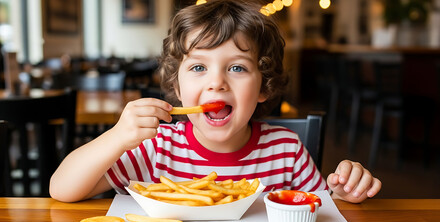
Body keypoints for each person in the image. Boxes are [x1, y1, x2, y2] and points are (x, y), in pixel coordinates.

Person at [50, 0, 381, 203]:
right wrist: (118, 136)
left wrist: (344, 192)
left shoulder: (286, 150)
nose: (216, 82)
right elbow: (62, 189)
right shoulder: (156, 147)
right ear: (177, 87)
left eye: (237, 67)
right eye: (198, 67)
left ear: (264, 87)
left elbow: (321, 208)